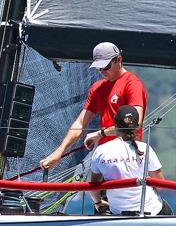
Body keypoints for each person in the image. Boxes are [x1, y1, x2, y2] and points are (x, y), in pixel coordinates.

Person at [40, 42, 147, 211]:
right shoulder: (97, 88)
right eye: (98, 68)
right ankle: (99, 204)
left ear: (118, 60)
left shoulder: (132, 83)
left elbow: (135, 122)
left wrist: (100, 133)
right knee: (100, 204)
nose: (102, 72)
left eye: (105, 66)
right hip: (105, 162)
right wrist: (59, 152)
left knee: (126, 213)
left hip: (128, 160)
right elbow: (80, 123)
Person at [89, 105, 171, 216]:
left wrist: (98, 202)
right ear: (137, 126)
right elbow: (160, 185)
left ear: (115, 125)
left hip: (117, 212)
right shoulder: (145, 148)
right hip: (151, 210)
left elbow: (93, 187)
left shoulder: (101, 151)